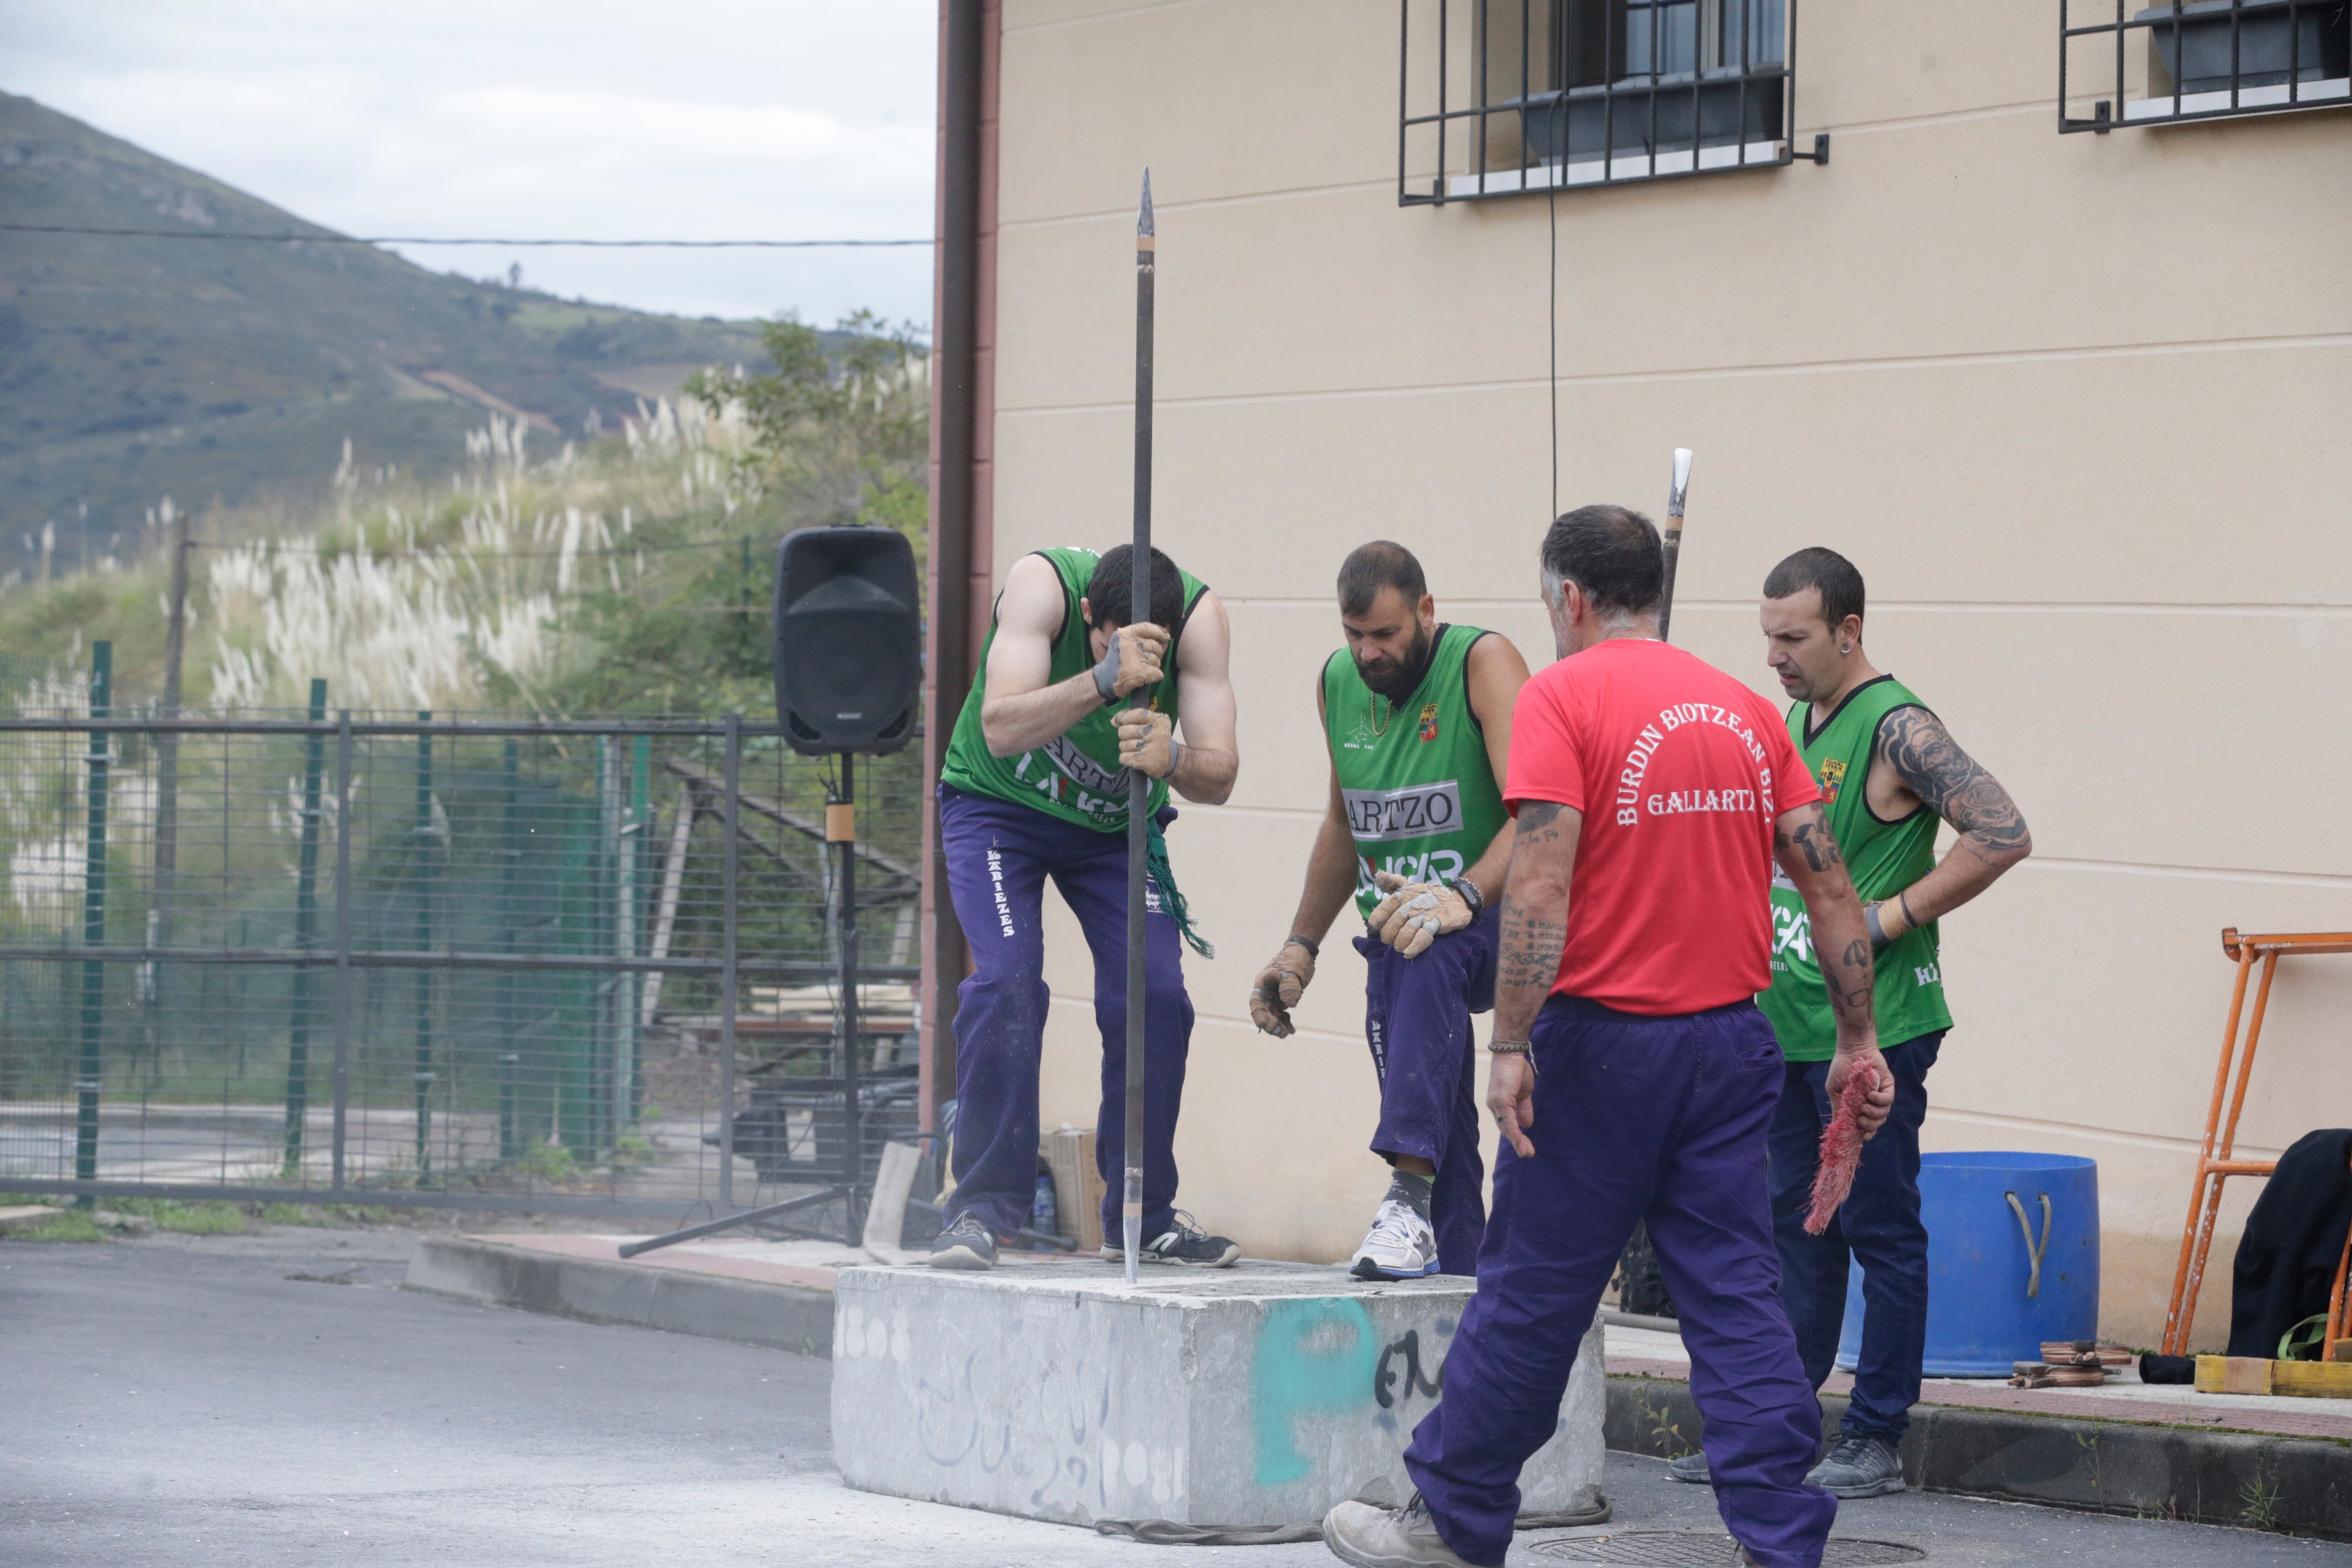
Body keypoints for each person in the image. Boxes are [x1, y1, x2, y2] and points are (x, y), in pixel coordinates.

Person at [1321, 507, 1895, 1568]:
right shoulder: (1744, 710)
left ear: (1571, 600)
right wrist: (1859, 1041)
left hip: (1602, 1052)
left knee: (1535, 1290)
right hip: (1732, 1047)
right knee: (1736, 1293)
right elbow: (1829, 881)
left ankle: (1451, 1523)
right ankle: (1782, 1539)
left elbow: (1539, 882)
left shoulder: (1561, 697)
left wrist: (1509, 1045)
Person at [1668, 547, 2032, 1498]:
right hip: (1791, 1019)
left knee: (1879, 1226)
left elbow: (2003, 831)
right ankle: (1783, 1428)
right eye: (1767, 638)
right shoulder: (1795, 721)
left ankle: (1876, 1435)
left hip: (1882, 1025)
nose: (1775, 657)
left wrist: (1889, 916)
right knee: (1798, 1228)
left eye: (1793, 638)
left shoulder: (1898, 727)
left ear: (1849, 631)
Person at [928, 543, 1242, 1271]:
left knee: (1156, 995)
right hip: (999, 809)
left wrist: (1175, 761)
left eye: (1148, 658)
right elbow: (1000, 730)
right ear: (1093, 616)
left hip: (1111, 828)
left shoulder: (1200, 621)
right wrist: (1104, 680)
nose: (1137, 666)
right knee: (1007, 982)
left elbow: (1220, 774)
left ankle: (1145, 1214)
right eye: (1115, 643)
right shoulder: (1043, 587)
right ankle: (979, 1210)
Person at [1250, 542, 1531, 1279]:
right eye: (1354, 634)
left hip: (1503, 914)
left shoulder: (1483, 662)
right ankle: (1459, 1267)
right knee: (1434, 1091)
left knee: (1421, 939)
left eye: (1385, 633)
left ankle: (1404, 1197)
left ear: (1426, 611)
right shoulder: (1337, 682)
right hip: (1407, 933)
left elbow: (1537, 817)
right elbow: (1345, 825)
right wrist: (1299, 946)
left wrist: (1463, 896)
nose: (1368, 652)